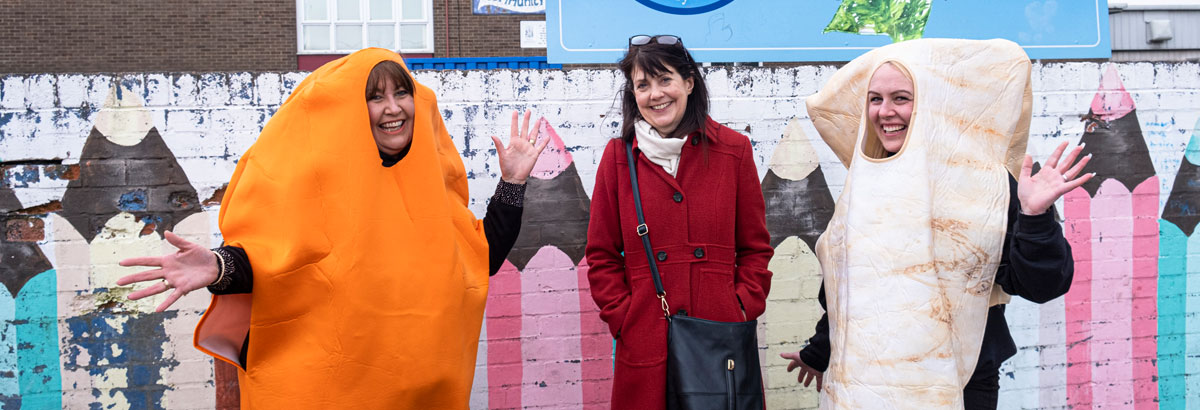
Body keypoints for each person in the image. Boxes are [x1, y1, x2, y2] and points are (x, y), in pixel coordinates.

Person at [115, 48, 548, 408]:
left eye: (402, 92)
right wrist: (217, 266)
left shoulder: (431, 191)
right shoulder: (320, 190)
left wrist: (512, 184)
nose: (394, 107)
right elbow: (275, 258)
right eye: (375, 98)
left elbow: (479, 257)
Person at [779, 39, 1091, 409]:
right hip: (869, 379)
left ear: (932, 103)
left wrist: (1035, 217)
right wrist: (820, 351)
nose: (884, 112)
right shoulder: (866, 182)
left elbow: (1043, 285)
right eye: (875, 99)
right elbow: (849, 287)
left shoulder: (984, 185)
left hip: (962, 380)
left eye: (901, 98)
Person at [585, 34, 774, 409]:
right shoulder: (618, 158)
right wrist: (624, 318)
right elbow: (602, 255)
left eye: (665, 79)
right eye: (643, 84)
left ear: (688, 82)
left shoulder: (733, 150)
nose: (656, 94)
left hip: (719, 338)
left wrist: (740, 305)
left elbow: (755, 248)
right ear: (633, 94)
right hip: (645, 340)